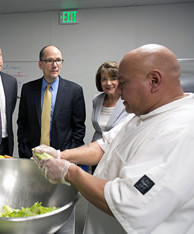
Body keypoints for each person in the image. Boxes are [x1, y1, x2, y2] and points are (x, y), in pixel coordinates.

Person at [32, 44, 194, 233]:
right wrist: (61, 155)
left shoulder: (182, 131)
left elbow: (130, 201)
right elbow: (104, 145)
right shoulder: (140, 115)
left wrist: (70, 172)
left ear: (154, 80)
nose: (118, 91)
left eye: (123, 83)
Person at [17, 45, 86, 159]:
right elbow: (22, 124)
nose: (55, 65)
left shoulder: (74, 91)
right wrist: (24, 151)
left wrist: (68, 155)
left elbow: (79, 129)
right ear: (40, 64)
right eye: (49, 60)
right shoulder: (28, 89)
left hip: (62, 157)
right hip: (33, 157)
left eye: (58, 60)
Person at [90, 61, 128, 173]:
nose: (108, 83)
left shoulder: (128, 100)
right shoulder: (97, 100)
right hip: (96, 154)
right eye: (104, 79)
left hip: (118, 155)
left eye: (113, 78)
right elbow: (99, 130)